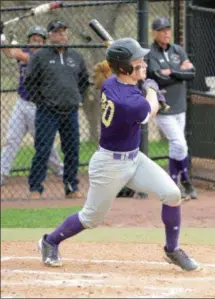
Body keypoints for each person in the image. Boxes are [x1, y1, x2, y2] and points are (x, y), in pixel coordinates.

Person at [37, 38, 199, 272]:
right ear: (124, 68)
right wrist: (152, 90)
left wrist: (146, 87)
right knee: (91, 218)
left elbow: (135, 90)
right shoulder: (126, 102)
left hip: (134, 158)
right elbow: (148, 111)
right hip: (109, 166)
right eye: (138, 62)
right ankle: (49, 241)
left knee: (172, 194)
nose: (143, 63)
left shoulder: (113, 82)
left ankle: (172, 250)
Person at [23, 19, 90, 199]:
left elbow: (84, 80)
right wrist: (42, 101)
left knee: (72, 150)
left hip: (70, 111)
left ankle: (71, 187)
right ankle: (35, 188)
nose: (62, 35)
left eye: (64, 32)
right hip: (47, 112)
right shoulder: (40, 56)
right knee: (43, 149)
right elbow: (29, 82)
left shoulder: (75, 56)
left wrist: (77, 99)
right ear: (50, 35)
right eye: (58, 32)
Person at [0, 22, 63, 187]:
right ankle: (1, 173)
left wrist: (12, 46)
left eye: (39, 40)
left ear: (44, 42)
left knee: (44, 143)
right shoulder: (24, 51)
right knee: (11, 140)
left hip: (39, 107)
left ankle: (61, 170)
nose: (35, 42)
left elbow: (18, 55)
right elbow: (8, 52)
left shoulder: (46, 56)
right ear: (28, 40)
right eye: (33, 39)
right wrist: (1, 36)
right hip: (21, 104)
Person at [147, 17, 198, 200]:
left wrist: (172, 72)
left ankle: (171, 182)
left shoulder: (177, 50)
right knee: (180, 144)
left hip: (180, 106)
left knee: (175, 147)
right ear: (154, 33)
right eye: (161, 30)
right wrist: (179, 72)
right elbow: (158, 78)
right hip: (164, 107)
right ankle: (185, 181)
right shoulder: (150, 53)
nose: (166, 33)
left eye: (168, 29)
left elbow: (191, 74)